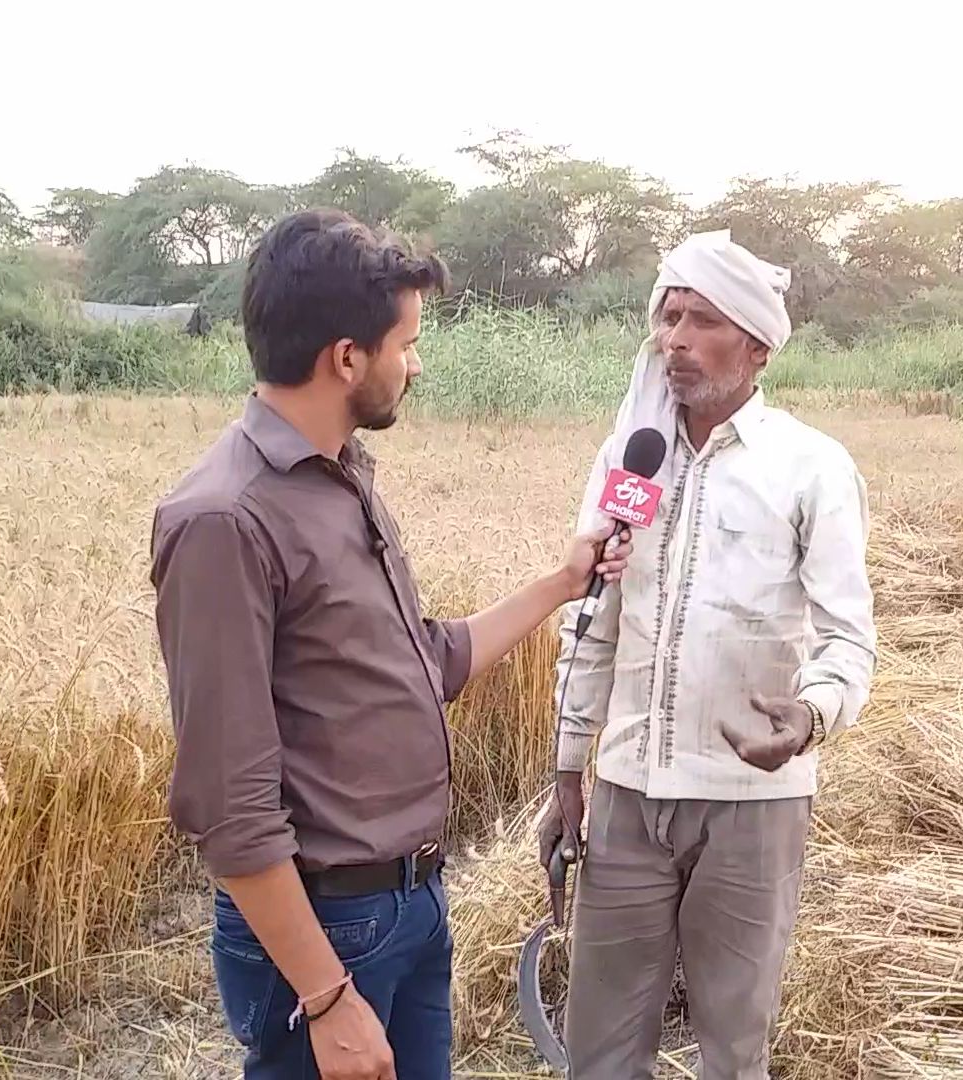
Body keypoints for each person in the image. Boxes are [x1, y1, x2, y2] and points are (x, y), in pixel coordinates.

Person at [149, 208, 628, 1080]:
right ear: (345, 358)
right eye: (406, 344)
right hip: (330, 936)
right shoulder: (226, 519)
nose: (416, 364)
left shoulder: (342, 480)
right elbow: (230, 805)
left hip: (410, 905)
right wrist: (326, 998)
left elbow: (426, 662)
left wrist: (564, 584)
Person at [539, 230, 878, 1080]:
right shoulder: (632, 457)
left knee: (733, 1049)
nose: (674, 340)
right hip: (626, 793)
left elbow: (848, 638)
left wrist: (808, 716)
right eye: (668, 317)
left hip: (751, 804)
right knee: (601, 1052)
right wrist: (568, 773)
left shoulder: (811, 468)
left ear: (756, 346)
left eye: (700, 322)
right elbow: (592, 620)